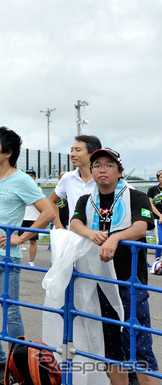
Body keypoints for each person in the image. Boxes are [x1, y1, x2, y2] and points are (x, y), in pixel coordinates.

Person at [0, 127, 54, 385]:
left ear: (8, 152)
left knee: (11, 314)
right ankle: (0, 361)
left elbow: (48, 212)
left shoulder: (22, 180)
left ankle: (21, 373)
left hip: (7, 256)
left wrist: (20, 237)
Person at [70, 148, 158, 385]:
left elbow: (142, 226)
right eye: (97, 165)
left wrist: (114, 237)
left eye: (109, 165)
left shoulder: (135, 196)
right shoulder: (86, 200)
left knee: (139, 344)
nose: (102, 169)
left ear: (119, 171)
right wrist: (90, 232)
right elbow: (74, 223)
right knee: (111, 346)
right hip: (99, 281)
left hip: (130, 281)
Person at [48, 135, 102, 229]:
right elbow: (52, 201)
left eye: (78, 150)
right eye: (71, 150)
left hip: (100, 239)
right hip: (74, 238)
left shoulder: (105, 179)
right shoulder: (67, 178)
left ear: (93, 154)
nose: (72, 154)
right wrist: (59, 227)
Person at [20, 169, 40, 266]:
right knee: (18, 239)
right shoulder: (21, 188)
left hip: (33, 219)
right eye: (27, 175)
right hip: (22, 218)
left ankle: (31, 261)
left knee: (33, 241)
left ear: (35, 178)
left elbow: (31, 201)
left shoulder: (38, 189)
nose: (29, 177)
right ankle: (16, 259)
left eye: (31, 175)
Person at [147, 170, 162, 260]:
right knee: (160, 241)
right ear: (158, 178)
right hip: (157, 218)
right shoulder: (152, 190)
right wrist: (160, 215)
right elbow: (150, 205)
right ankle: (157, 260)